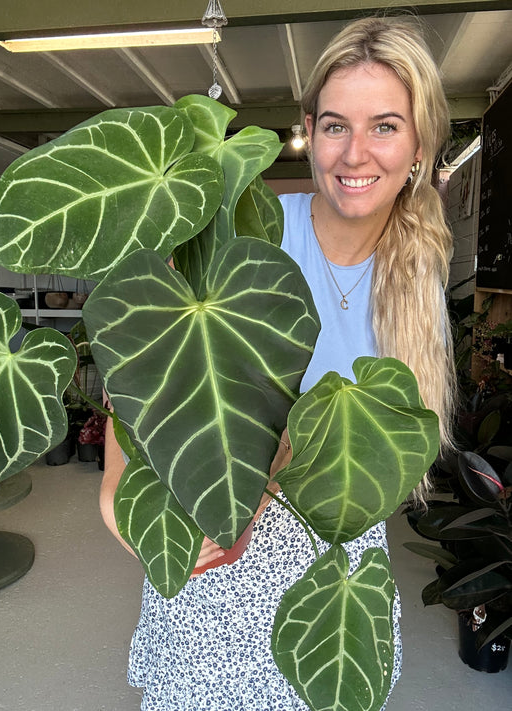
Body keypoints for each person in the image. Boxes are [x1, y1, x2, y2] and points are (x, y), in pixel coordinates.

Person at [100, 15, 456, 711]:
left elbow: (388, 455)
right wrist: (123, 505)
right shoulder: (242, 235)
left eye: (384, 125)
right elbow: (139, 380)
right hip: (217, 559)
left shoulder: (418, 280)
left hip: (333, 570)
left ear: (418, 145)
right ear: (307, 130)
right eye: (335, 126)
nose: (355, 154)